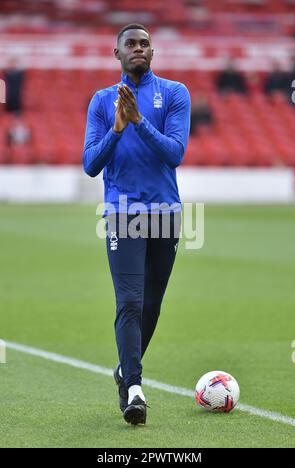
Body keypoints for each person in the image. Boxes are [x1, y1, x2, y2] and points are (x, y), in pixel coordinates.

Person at [83, 23, 190, 425]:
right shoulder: (100, 101)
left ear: (152, 51)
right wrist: (117, 127)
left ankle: (124, 370)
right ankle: (134, 389)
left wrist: (139, 121)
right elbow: (91, 164)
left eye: (145, 43)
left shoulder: (176, 94)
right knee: (129, 301)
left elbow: (175, 153)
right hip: (123, 214)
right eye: (131, 44)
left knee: (152, 306)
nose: (139, 49)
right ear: (118, 54)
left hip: (166, 215)